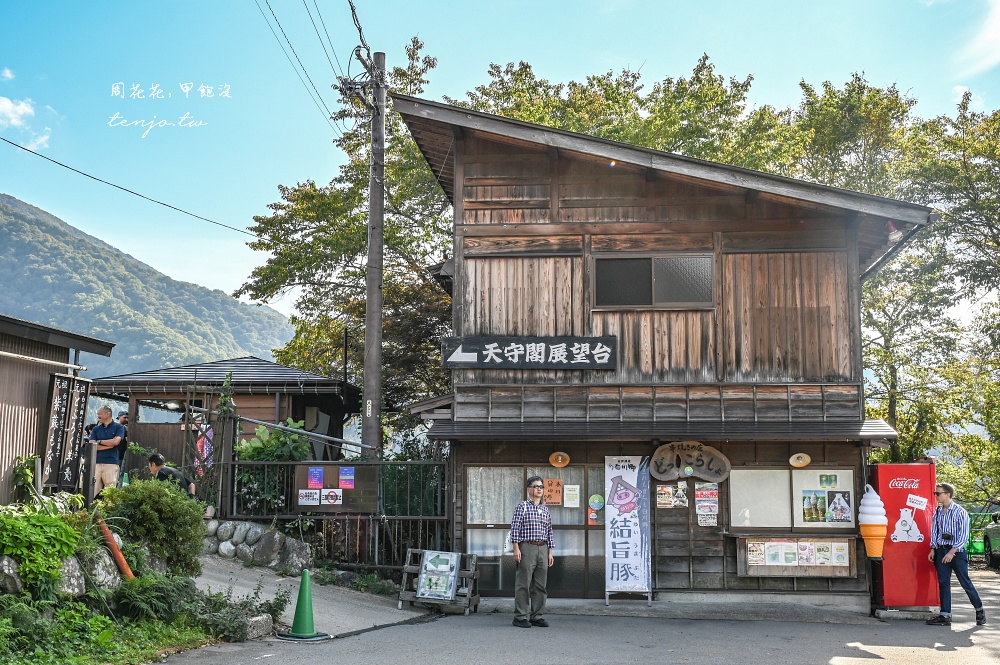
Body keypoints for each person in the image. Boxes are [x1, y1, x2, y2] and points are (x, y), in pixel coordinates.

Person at [926, 482, 986, 626]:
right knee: (943, 583)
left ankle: (979, 610)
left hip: (957, 552)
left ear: (948, 494)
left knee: (965, 582)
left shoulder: (960, 512)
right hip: (941, 550)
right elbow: (935, 531)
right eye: (935, 493)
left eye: (938, 493)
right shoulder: (938, 512)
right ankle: (945, 615)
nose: (936, 496)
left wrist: (952, 552)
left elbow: (964, 536)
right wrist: (933, 548)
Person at [509, 475, 554, 628]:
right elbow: (515, 528)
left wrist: (550, 552)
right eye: (536, 486)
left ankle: (537, 616)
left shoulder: (545, 509)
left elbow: (549, 531)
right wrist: (516, 549)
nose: (539, 489)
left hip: (543, 548)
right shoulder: (522, 507)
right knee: (524, 583)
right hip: (526, 547)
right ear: (529, 489)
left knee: (541, 585)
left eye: (541, 487)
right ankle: (520, 617)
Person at [88, 405, 126, 496]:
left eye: (99, 414)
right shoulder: (96, 429)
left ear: (108, 414)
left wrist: (100, 441)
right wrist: (109, 445)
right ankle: (92, 509)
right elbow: (92, 445)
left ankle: (109, 510)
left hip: (111, 463)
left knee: (110, 492)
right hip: (96, 462)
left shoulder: (119, 427)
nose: (98, 416)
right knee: (93, 490)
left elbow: (116, 441)